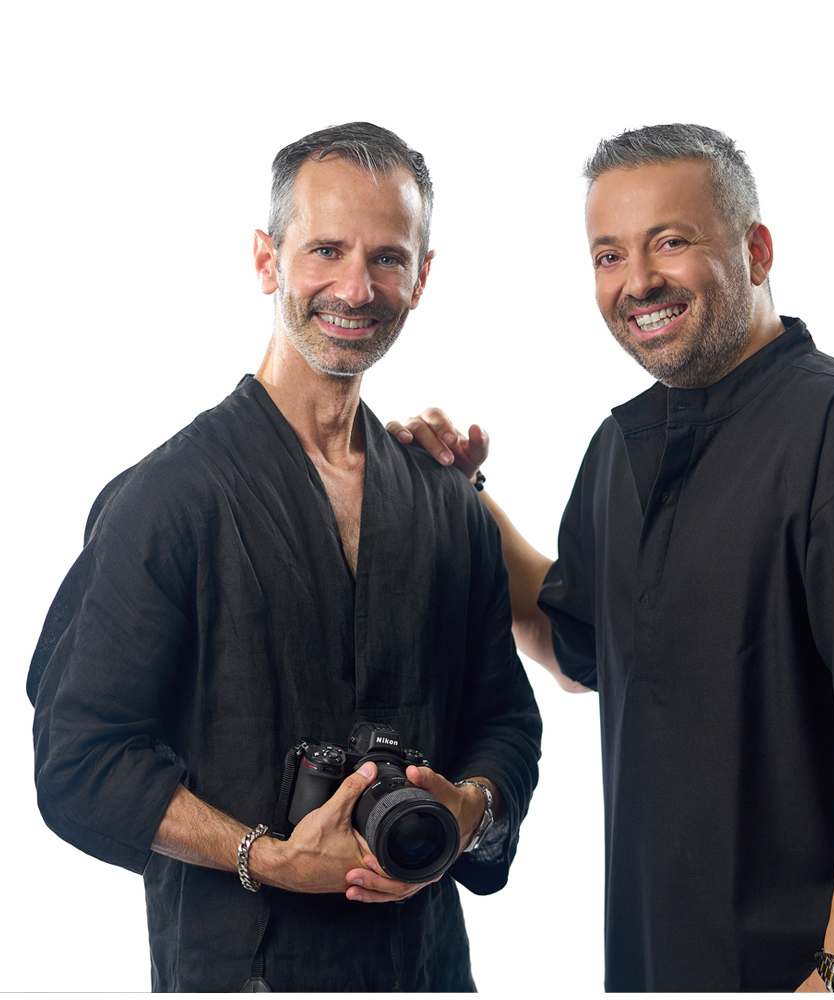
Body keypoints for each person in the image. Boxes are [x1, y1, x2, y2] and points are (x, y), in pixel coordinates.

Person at [390, 124, 834, 992]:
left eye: (670, 242)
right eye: (609, 255)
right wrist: (461, 496)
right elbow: (576, 644)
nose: (638, 281)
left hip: (823, 969)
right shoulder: (621, 451)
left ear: (756, 251)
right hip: (664, 963)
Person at [27, 122, 542, 992]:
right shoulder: (170, 497)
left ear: (422, 277)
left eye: (387, 258)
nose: (356, 288)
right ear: (268, 260)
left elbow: (507, 722)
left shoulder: (450, 502)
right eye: (326, 250)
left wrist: (471, 809)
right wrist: (265, 857)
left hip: (425, 969)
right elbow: (82, 757)